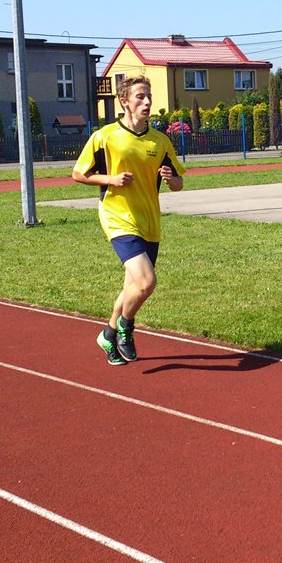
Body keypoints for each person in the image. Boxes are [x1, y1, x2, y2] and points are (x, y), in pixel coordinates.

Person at [72, 75, 185, 365]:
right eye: (140, 96)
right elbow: (78, 174)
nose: (147, 102)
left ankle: (108, 335)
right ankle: (126, 326)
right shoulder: (105, 136)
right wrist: (110, 179)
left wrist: (171, 179)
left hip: (149, 220)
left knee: (132, 286)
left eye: (149, 96)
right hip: (117, 216)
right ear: (124, 101)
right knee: (146, 282)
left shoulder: (160, 141)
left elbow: (179, 183)